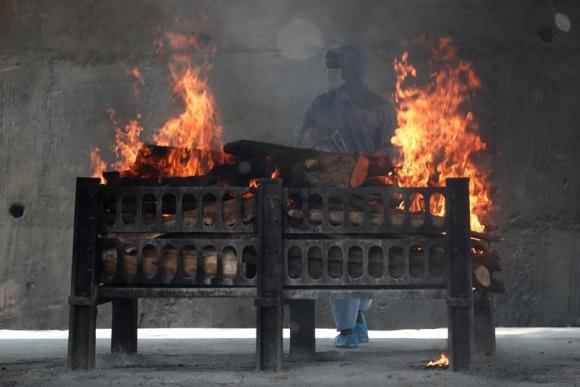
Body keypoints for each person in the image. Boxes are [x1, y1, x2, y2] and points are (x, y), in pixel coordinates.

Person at [295, 45, 396, 348]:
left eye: (335, 69)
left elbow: (397, 146)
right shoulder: (320, 103)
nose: (329, 74)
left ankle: (358, 318)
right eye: (327, 68)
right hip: (330, 192)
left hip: (370, 194)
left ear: (351, 70)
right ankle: (348, 327)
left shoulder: (379, 105)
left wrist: (379, 157)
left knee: (365, 255)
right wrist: (313, 136)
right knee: (336, 257)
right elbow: (301, 135)